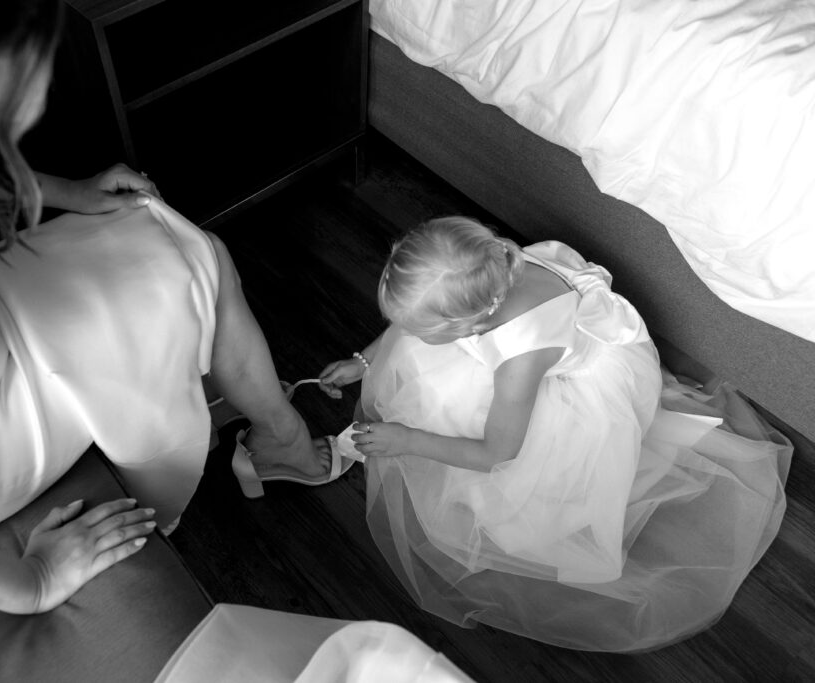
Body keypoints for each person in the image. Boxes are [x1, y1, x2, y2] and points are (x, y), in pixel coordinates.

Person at [0, 0, 341, 615]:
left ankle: (264, 424)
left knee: (188, 246)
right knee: (194, 265)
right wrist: (36, 583)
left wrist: (67, 192)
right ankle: (277, 435)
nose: (28, 101)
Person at [318, 216, 793, 652]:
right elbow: (411, 321)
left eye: (424, 331)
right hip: (552, 339)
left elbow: (497, 453)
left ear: (474, 323)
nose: (408, 334)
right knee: (434, 375)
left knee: (518, 481)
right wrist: (365, 361)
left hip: (577, 383)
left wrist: (408, 440)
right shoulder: (488, 264)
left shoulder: (520, 353)